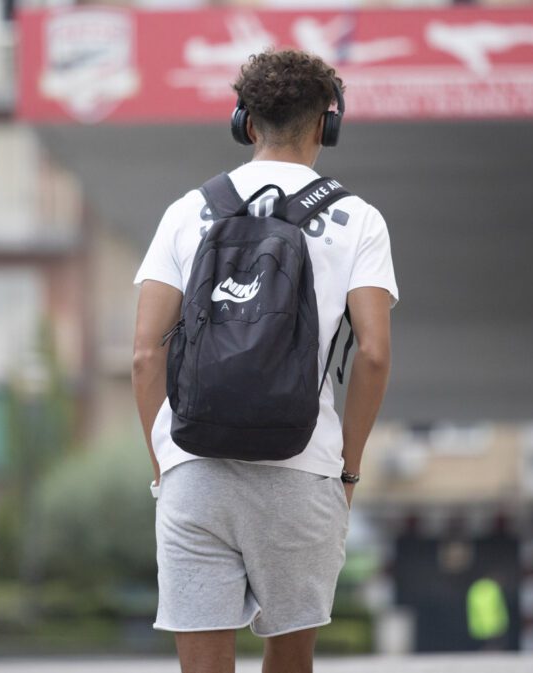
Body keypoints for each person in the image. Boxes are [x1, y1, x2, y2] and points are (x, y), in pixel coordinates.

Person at [131, 50, 398, 673]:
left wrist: (164, 465)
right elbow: (376, 356)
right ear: (325, 126)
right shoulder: (360, 222)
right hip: (304, 467)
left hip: (195, 469)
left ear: (244, 122)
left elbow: (146, 355)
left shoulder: (184, 213)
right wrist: (348, 470)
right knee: (290, 657)